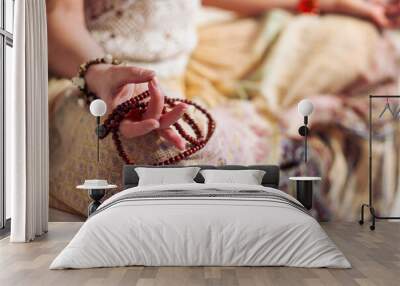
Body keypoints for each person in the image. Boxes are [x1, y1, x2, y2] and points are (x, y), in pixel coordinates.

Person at [47, 0, 400, 218]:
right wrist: (101, 72)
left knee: (379, 46)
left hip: (189, 68)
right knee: (161, 149)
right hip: (90, 76)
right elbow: (57, 21)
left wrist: (325, 3)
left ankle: (263, 162)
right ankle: (273, 160)